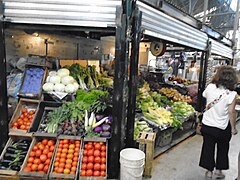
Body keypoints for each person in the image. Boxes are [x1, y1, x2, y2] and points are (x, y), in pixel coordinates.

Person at [199, 66, 238, 179]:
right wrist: (233, 128)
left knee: (208, 147)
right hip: (222, 127)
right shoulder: (232, 94)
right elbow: (231, 112)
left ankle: (209, 172)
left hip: (207, 125)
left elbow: (204, 96)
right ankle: (219, 171)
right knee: (223, 148)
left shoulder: (210, 87)